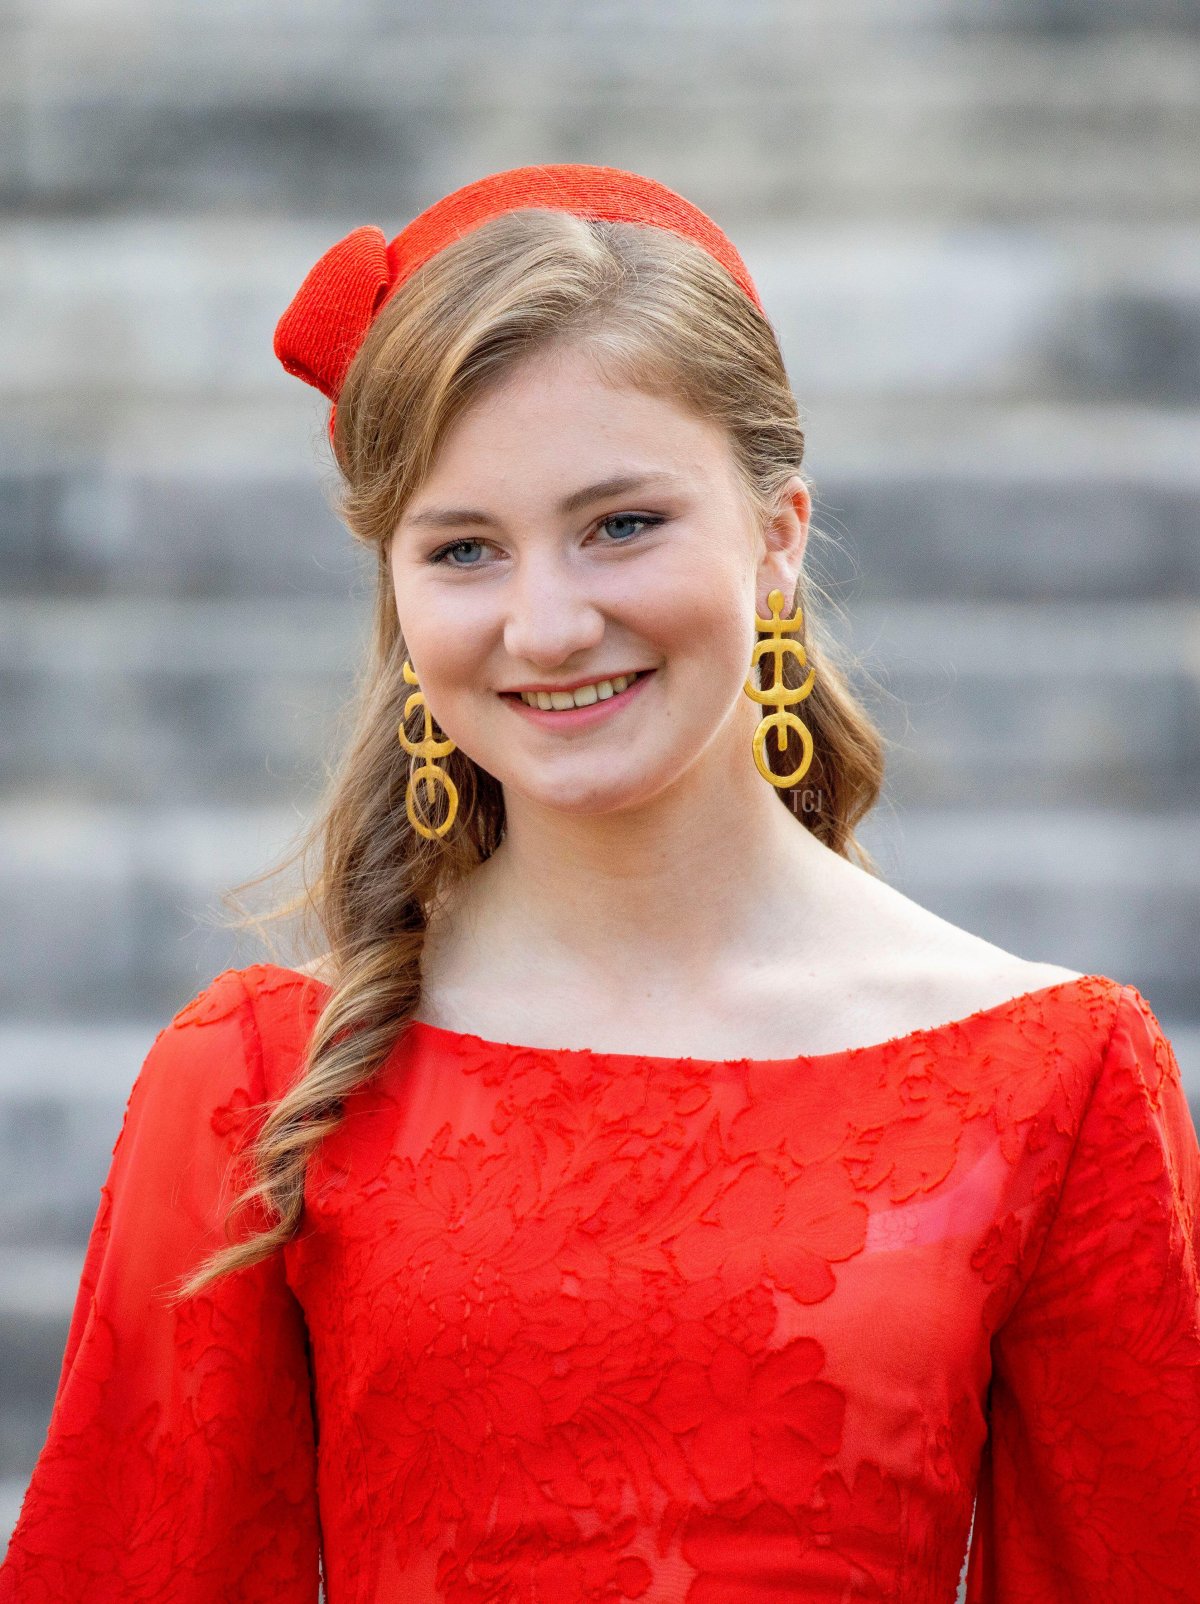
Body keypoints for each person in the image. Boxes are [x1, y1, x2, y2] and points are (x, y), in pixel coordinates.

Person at [1, 164, 1197, 1603]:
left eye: (621, 524)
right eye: (464, 550)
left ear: (779, 534)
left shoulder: (1055, 1074)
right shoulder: (256, 1079)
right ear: (397, 593)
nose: (550, 624)